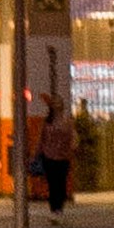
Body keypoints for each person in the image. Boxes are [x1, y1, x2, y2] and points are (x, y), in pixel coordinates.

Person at [33, 88, 72, 217]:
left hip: (63, 157)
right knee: (52, 184)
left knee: (61, 184)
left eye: (59, 102)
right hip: (49, 157)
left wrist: (72, 148)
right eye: (55, 103)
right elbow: (41, 138)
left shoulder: (67, 121)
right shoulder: (47, 122)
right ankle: (54, 209)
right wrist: (35, 154)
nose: (57, 105)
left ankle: (59, 208)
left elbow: (73, 137)